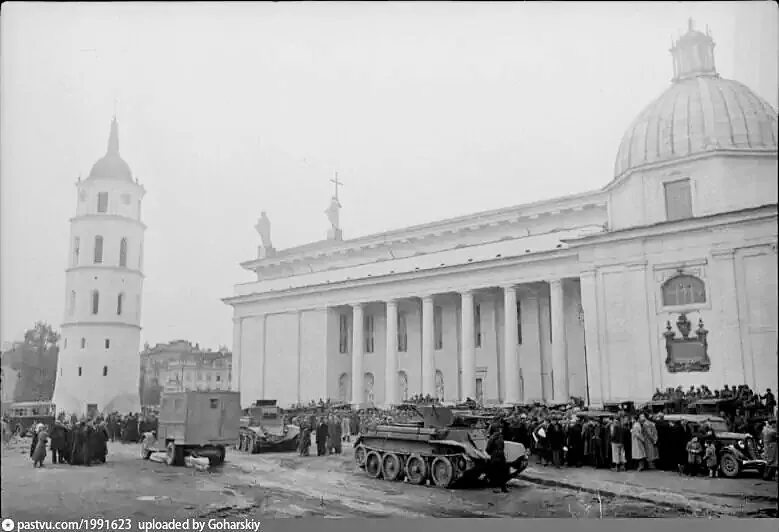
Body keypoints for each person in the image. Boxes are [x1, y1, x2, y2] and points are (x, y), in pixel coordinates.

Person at [486, 423, 509, 493]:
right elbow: (503, 446)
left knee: (494, 472)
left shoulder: (492, 438)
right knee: (502, 472)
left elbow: (488, 449)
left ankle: (495, 488)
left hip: (495, 456)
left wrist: (490, 453)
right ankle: (503, 488)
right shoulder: (501, 437)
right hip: (501, 455)